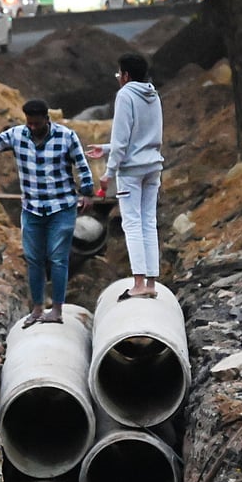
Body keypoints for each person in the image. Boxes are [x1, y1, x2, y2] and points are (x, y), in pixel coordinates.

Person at [0, 98, 94, 327]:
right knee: (34, 260)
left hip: (61, 207)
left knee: (58, 258)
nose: (32, 127)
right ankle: (37, 308)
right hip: (32, 209)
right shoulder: (17, 135)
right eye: (29, 123)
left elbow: (82, 165)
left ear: (46, 119)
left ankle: (57, 309)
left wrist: (87, 192)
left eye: (36, 123)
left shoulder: (66, 137)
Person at [86, 52, 164, 301]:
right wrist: (106, 149)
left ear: (126, 75)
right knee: (148, 222)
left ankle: (138, 283)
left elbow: (122, 140)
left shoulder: (125, 95)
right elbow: (143, 135)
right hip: (153, 166)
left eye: (119, 73)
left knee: (131, 224)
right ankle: (151, 281)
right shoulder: (153, 94)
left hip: (131, 171)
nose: (118, 78)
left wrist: (108, 173)